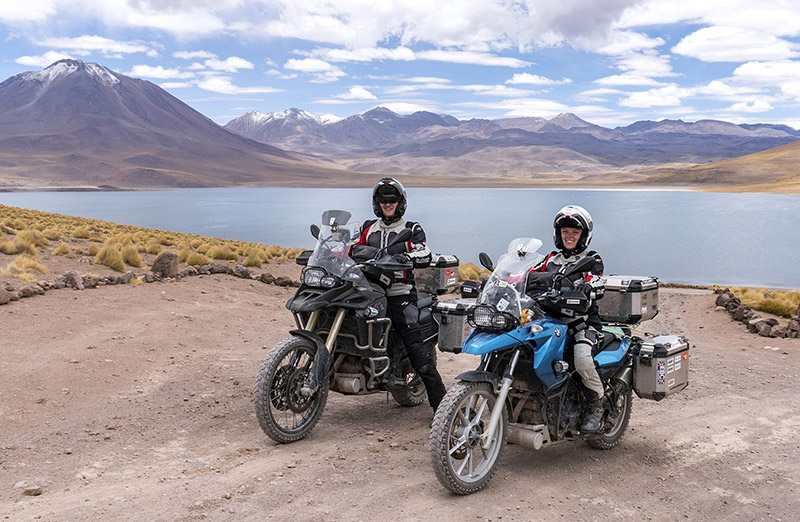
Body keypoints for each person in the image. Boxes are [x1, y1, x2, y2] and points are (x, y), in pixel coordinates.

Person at [351, 177, 447, 413]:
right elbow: (352, 246)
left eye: (392, 199)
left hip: (400, 292)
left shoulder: (411, 229)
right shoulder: (367, 227)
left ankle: (443, 408)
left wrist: (408, 257)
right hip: (370, 289)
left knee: (417, 351)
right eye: (383, 199)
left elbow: (424, 251)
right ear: (377, 203)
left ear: (400, 202)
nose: (388, 203)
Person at [530, 205, 606, 433]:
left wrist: (590, 285)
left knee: (582, 358)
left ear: (584, 235)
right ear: (558, 234)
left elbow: (597, 279)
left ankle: (596, 404)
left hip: (582, 324)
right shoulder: (550, 259)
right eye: (565, 231)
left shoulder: (591, 259)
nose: (569, 236)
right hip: (551, 322)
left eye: (574, 232)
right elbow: (528, 274)